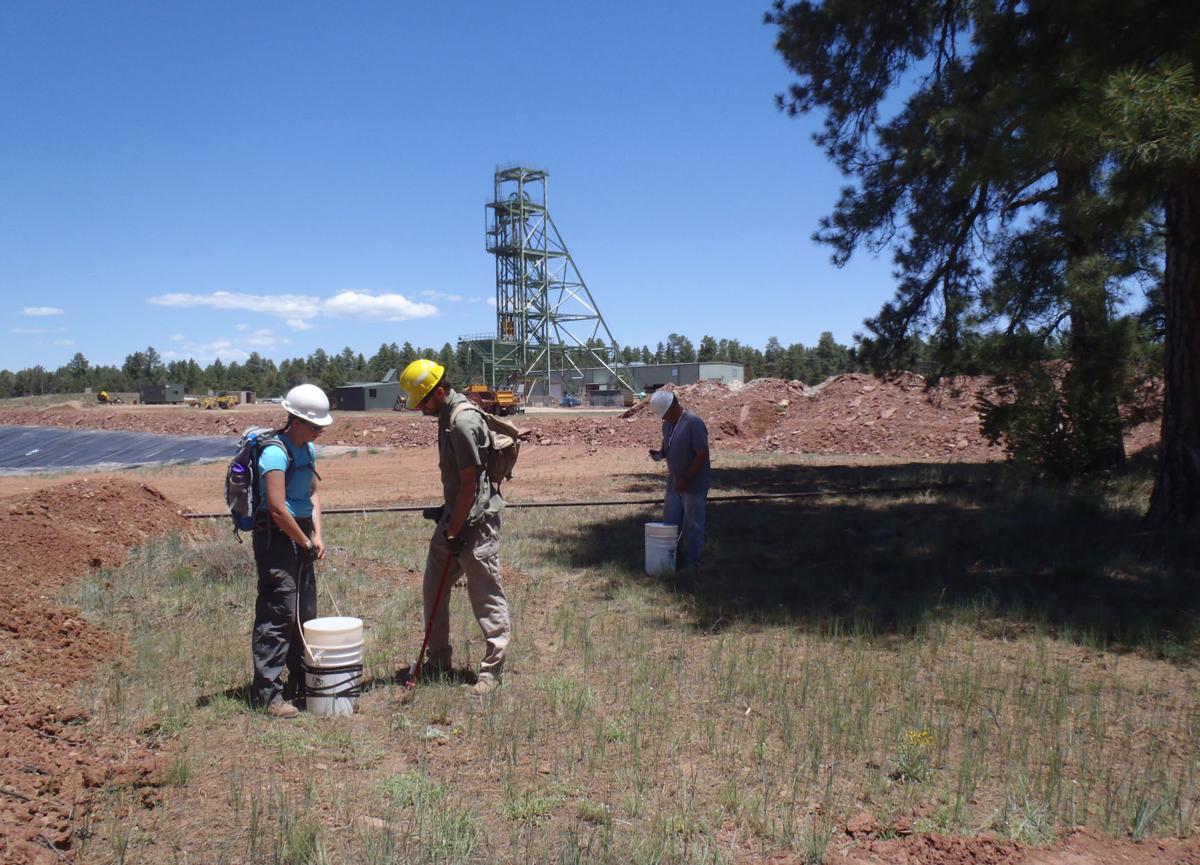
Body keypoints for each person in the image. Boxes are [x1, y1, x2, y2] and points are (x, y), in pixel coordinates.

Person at [400, 359, 510, 696]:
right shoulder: (445, 416)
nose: (420, 410)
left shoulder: (461, 423)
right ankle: (438, 660)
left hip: (474, 524)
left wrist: (455, 530)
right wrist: (449, 523)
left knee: (487, 599)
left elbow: (469, 486)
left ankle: (491, 671)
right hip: (454, 517)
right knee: (433, 586)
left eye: (422, 403)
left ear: (439, 391)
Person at [251, 383, 333, 718]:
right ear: (296, 420)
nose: (319, 431)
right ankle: (269, 695)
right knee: (279, 612)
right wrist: (302, 540)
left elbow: (311, 495)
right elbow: (276, 508)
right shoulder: (274, 452)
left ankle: (301, 682)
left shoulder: (308, 451)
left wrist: (318, 535)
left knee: (304, 612)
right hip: (278, 538)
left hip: (301, 535)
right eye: (315, 426)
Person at [649, 389, 710, 569]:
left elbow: (701, 454)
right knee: (670, 524)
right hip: (675, 483)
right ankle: (670, 562)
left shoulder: (693, 423)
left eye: (664, 414)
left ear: (673, 406)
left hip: (694, 485)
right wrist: (660, 454)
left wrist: (686, 478)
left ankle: (692, 565)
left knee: (694, 525)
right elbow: (667, 444)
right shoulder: (668, 424)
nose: (662, 418)